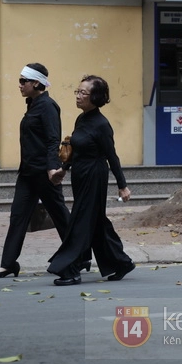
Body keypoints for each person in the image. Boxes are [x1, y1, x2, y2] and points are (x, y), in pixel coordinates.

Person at [0, 63, 83, 278]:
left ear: (36, 83)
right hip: (28, 173)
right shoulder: (33, 104)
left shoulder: (48, 106)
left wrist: (52, 168)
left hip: (43, 173)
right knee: (18, 216)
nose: (20, 85)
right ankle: (8, 263)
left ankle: (79, 255)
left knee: (60, 216)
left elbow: (52, 140)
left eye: (24, 81)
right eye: (20, 80)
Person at [47, 75, 135, 286]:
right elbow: (75, 149)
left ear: (95, 97)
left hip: (95, 176)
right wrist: (64, 169)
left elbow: (112, 156)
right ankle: (121, 263)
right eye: (77, 92)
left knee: (80, 221)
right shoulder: (82, 119)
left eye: (83, 93)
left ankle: (71, 268)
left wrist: (122, 186)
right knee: (95, 222)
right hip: (80, 174)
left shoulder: (102, 124)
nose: (77, 96)